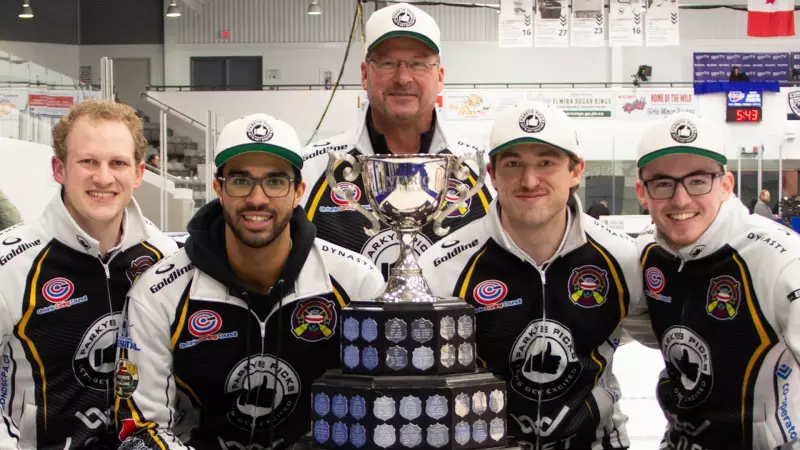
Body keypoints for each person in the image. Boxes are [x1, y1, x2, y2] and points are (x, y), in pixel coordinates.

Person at [115, 113, 385, 450]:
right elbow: (141, 428)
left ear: (299, 190)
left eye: (275, 182)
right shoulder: (157, 293)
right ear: (219, 188)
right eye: (241, 181)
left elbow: (382, 409)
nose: (257, 199)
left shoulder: (356, 281)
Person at [419, 102, 654, 449]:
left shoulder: (622, 256)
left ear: (576, 171)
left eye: (547, 162)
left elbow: (660, 330)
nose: (529, 181)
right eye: (513, 164)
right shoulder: (442, 267)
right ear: (492, 175)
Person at [0, 100, 178, 449]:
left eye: (118, 163)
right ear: (59, 168)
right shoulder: (11, 262)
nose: (104, 177)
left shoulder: (166, 259)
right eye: (87, 162)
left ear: (139, 173)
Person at [635, 112, 800, 450]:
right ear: (642, 192)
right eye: (663, 183)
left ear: (726, 185)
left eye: (698, 181)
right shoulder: (643, 255)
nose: (681, 200)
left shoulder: (780, 259)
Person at [300, 2, 493, 281]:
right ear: (365, 75)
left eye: (418, 63)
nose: (403, 78)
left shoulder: (481, 172)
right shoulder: (314, 169)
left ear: (439, 77)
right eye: (388, 63)